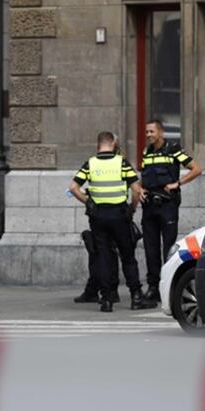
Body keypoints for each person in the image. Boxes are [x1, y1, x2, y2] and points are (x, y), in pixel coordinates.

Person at [68, 131, 157, 313]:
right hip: (119, 215)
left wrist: (89, 202)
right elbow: (135, 189)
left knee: (103, 257)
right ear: (113, 143)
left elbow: (73, 187)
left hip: (98, 216)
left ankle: (106, 299)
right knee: (127, 256)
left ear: (98, 144)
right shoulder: (121, 162)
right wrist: (132, 208)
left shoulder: (90, 163)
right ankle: (136, 297)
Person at [139, 120, 201, 301]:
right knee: (150, 248)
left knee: (168, 247)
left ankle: (169, 286)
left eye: (151, 131)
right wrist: (141, 189)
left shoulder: (173, 149)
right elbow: (145, 175)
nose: (148, 135)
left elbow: (196, 169)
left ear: (161, 132)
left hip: (167, 205)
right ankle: (153, 287)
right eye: (146, 132)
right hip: (149, 205)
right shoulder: (147, 152)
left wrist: (178, 183)